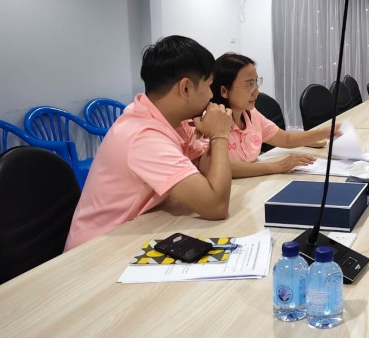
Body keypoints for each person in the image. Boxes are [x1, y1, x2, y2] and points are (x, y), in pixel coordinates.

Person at [65, 36, 233, 250]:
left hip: (135, 232)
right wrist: (219, 135)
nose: (211, 95)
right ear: (185, 88)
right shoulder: (143, 136)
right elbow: (216, 206)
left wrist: (211, 134)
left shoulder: (172, 120)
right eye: (209, 85)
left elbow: (206, 172)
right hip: (95, 251)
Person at [211, 53, 340, 178]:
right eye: (249, 84)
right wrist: (277, 166)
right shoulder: (211, 121)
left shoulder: (251, 114)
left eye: (256, 82)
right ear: (224, 91)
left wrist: (324, 133)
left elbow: (286, 139)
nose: (257, 91)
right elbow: (220, 166)